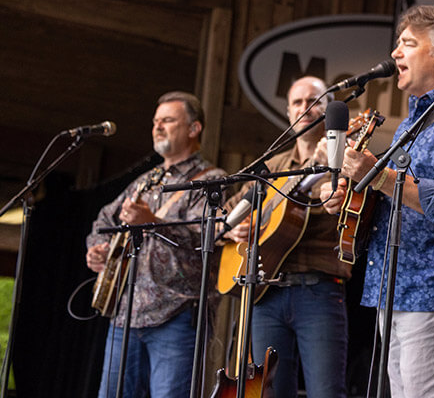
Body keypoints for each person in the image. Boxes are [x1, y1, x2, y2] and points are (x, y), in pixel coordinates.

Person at [323, 5, 434, 398]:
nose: (395, 55)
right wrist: (352, 192)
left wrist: (377, 174)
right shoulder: (410, 123)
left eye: (408, 44)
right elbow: (394, 196)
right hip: (396, 285)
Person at [85, 91, 226, 398]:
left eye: (168, 120)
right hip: (125, 314)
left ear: (193, 129)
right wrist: (98, 249)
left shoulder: (212, 181)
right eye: (155, 121)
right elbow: (103, 221)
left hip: (177, 315)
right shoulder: (145, 181)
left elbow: (210, 237)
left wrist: (153, 222)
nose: (158, 127)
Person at [224, 75, 352, 398]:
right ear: (287, 112)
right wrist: (234, 228)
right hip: (266, 294)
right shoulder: (273, 165)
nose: (305, 108)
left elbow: (358, 218)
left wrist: (328, 174)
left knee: (326, 392)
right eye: (297, 102)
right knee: (267, 393)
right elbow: (229, 213)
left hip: (319, 291)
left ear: (327, 111)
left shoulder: (345, 159)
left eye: (314, 102)